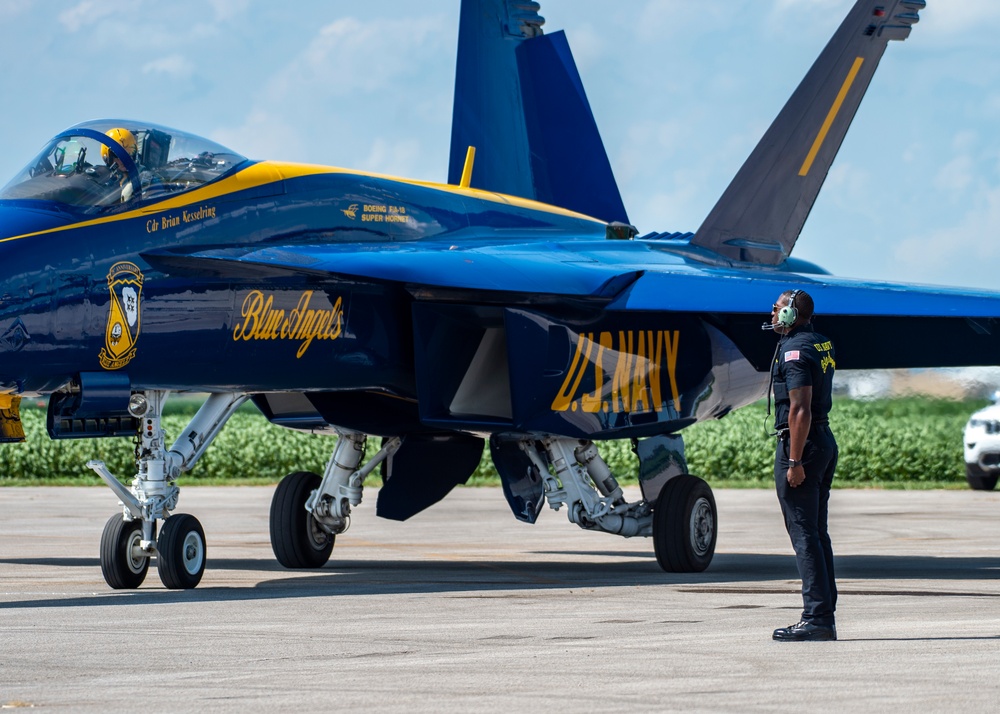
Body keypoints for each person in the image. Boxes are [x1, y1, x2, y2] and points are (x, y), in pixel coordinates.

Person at [767, 289, 839, 642]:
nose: (772, 311)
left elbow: (800, 410)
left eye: (778, 308)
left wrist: (794, 461)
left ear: (790, 315)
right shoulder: (820, 341)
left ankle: (817, 617)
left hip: (804, 446)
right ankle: (824, 612)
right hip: (823, 442)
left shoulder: (794, 352)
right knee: (816, 532)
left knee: (804, 534)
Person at [100, 127, 139, 203]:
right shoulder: (103, 180)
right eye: (118, 154)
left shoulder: (143, 176)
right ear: (108, 157)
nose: (125, 158)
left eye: (130, 153)